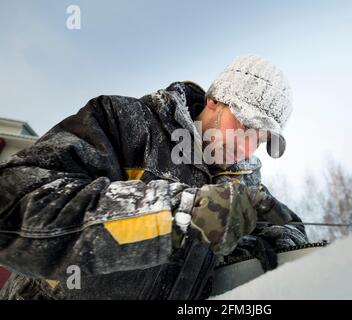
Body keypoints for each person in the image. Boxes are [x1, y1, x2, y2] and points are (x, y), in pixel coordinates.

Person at [0, 54, 307, 300]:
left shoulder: (244, 187)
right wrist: (176, 214)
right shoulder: (127, 124)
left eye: (263, 138)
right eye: (244, 125)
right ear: (214, 100)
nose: (247, 146)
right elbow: (13, 205)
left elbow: (294, 236)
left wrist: (266, 244)